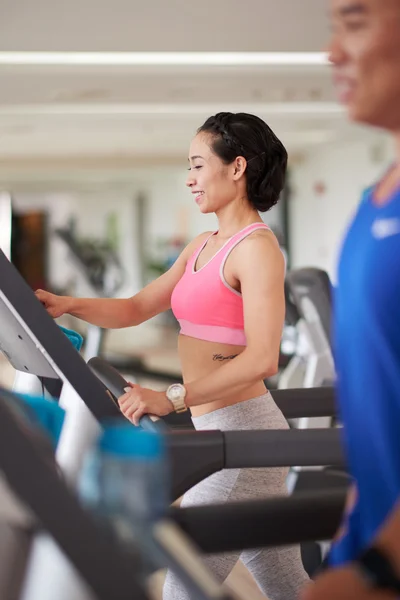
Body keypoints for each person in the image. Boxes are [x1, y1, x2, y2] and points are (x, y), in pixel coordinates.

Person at [36, 112, 309, 600]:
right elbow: (138, 307)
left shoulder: (258, 249)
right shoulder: (202, 246)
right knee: (287, 586)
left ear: (237, 167)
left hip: (246, 436)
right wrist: (67, 305)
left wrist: (172, 397)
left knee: (184, 587)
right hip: (221, 431)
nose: (189, 178)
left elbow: (264, 358)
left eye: (198, 165)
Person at [303, 1, 400, 599]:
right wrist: (354, 534)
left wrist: (377, 571)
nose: (333, 51)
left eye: (355, 22)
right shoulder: (372, 205)